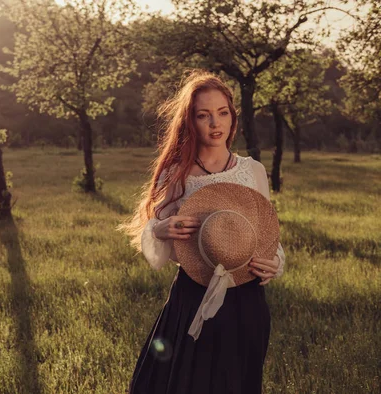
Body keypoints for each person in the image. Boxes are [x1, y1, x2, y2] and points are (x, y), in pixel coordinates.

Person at [119, 69, 286, 393]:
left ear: (232, 116)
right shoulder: (177, 173)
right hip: (193, 295)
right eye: (204, 115)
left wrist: (274, 263)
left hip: (247, 300)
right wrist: (161, 228)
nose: (215, 124)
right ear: (190, 121)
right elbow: (157, 242)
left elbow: (267, 233)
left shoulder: (253, 170)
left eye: (222, 113)